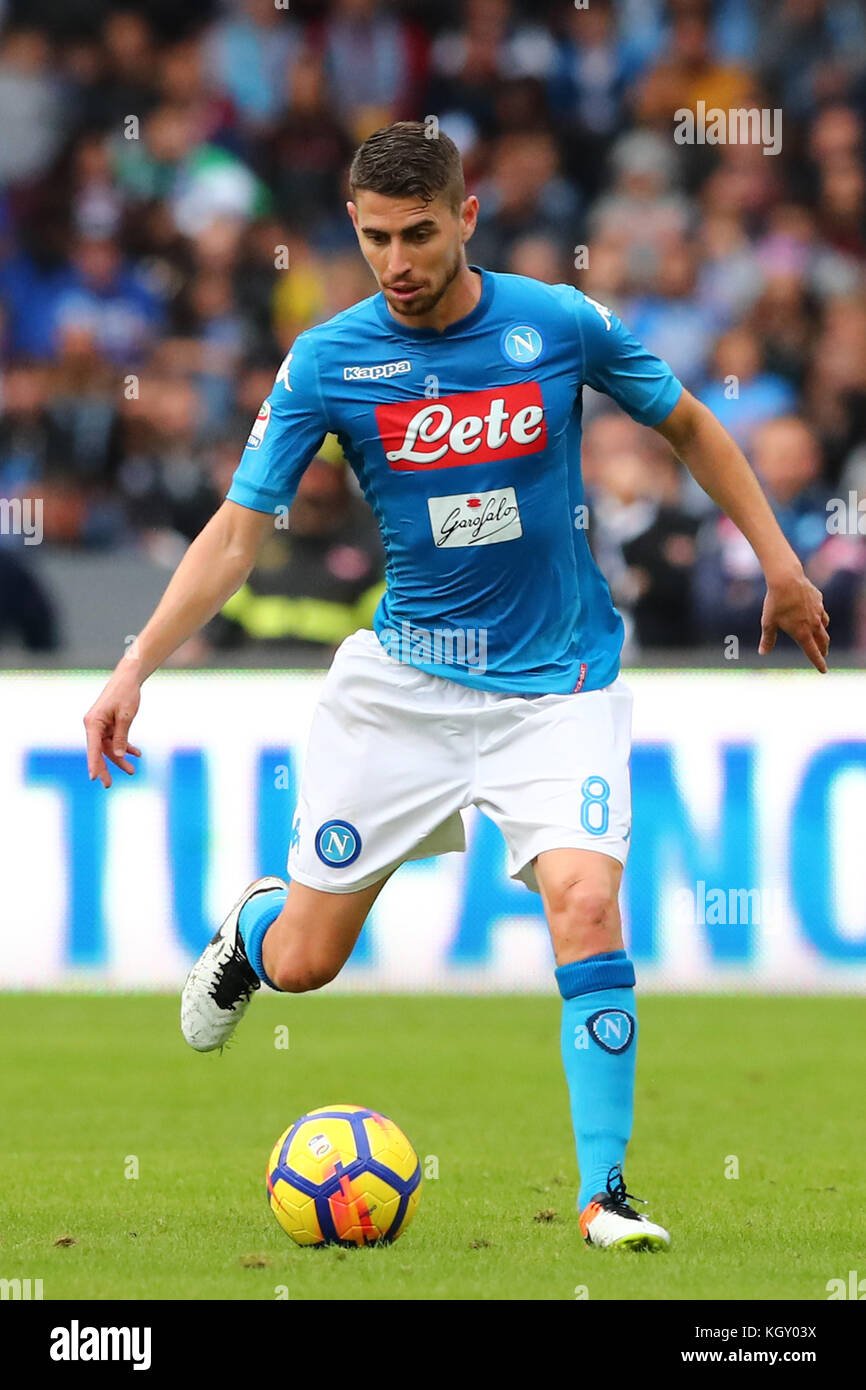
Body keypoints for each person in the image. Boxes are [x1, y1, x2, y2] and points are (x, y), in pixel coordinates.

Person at [83, 123, 829, 1253]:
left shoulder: (555, 324)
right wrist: (135, 661)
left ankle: (604, 1195)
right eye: (376, 237)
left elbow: (686, 426)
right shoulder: (328, 361)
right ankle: (252, 928)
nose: (398, 259)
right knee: (306, 962)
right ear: (353, 228)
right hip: (404, 692)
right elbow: (238, 533)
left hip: (558, 684)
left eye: (419, 233)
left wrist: (778, 560)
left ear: (465, 217)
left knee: (583, 899)